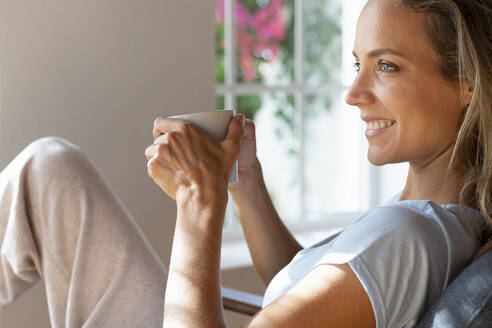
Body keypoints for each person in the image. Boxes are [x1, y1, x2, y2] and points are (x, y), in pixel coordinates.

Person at [1, 0, 491, 327]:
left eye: (387, 66)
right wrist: (246, 184)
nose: (354, 94)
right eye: (357, 64)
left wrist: (199, 201)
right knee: (50, 170)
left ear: (466, 84)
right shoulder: (439, 225)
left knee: (49, 171)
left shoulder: (402, 234)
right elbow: (313, 288)